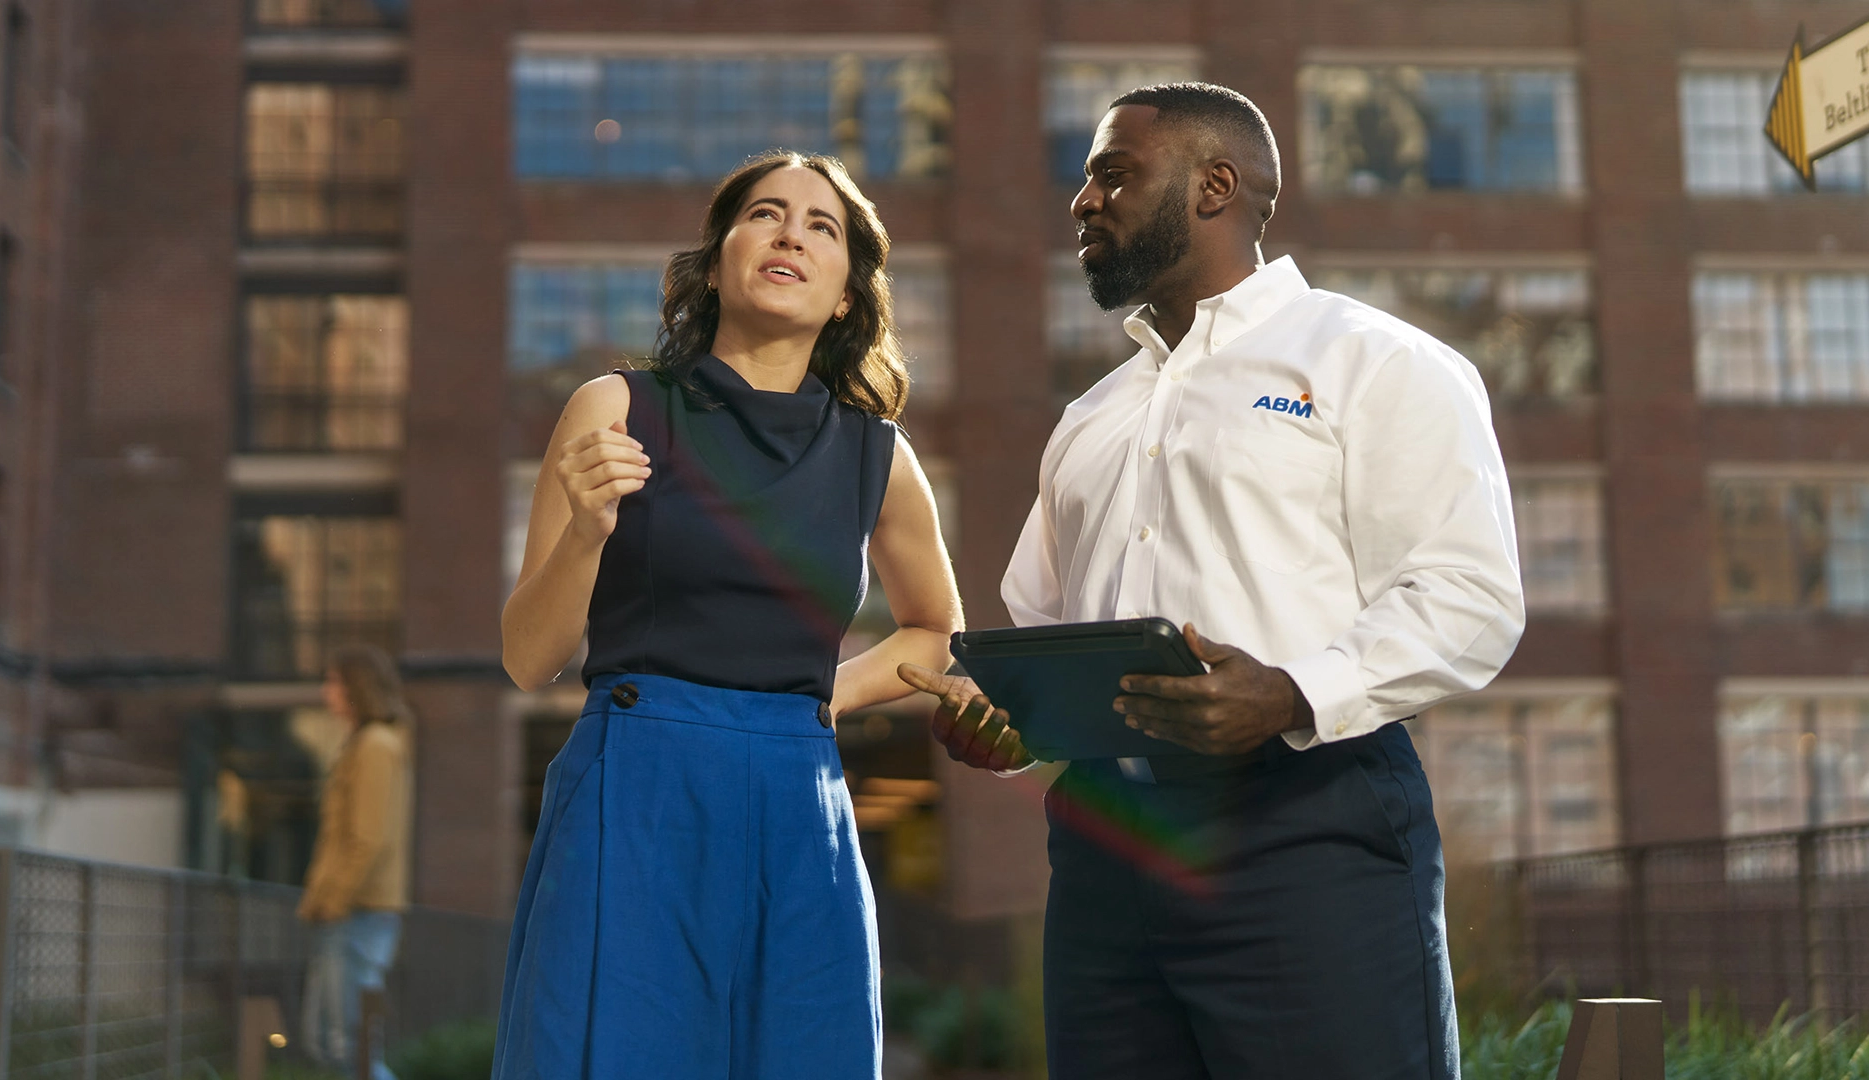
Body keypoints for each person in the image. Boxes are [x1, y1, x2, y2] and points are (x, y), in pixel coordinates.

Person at [900, 82, 1525, 1079]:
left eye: (1113, 172)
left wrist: (1286, 691)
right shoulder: (1090, 420)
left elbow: (1469, 597)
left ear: (1213, 186)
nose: (1082, 201)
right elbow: (1045, 626)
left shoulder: (1377, 362)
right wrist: (1004, 718)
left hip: (1305, 823)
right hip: (1106, 854)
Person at [494, 149, 961, 1079]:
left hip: (801, 800)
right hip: (637, 784)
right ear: (715, 264)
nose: (792, 232)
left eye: (822, 226)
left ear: (843, 296)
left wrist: (824, 697)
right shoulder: (615, 407)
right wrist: (587, 531)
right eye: (766, 214)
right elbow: (526, 656)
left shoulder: (877, 453)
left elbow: (934, 630)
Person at [298, 644, 414, 1080]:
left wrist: (333, 900)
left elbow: (367, 837)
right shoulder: (367, 744)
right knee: (345, 1045)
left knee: (353, 1045)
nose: (327, 692)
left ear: (355, 688)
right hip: (352, 909)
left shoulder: (375, 746)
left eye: (333, 682)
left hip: (357, 910)